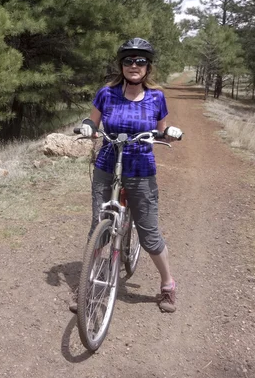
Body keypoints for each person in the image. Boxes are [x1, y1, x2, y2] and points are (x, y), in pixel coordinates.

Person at [71, 37, 183, 313]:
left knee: (149, 234)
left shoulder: (156, 97)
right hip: (107, 165)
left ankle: (168, 284)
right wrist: (87, 127)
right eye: (128, 61)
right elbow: (91, 120)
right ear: (121, 65)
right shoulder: (106, 93)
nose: (134, 65)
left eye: (140, 61)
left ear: (148, 67)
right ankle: (86, 285)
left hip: (141, 169)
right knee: (99, 224)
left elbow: (161, 129)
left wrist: (169, 133)